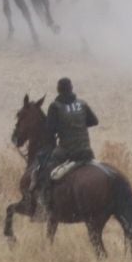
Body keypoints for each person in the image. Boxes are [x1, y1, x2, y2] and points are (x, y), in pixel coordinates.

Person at [34, 77, 100, 212]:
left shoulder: (55, 106)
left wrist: (62, 128)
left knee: (45, 168)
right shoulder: (82, 103)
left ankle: (43, 199)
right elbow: (94, 121)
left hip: (67, 151)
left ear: (58, 90)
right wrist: (79, 125)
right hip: (86, 150)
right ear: (72, 89)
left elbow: (50, 131)